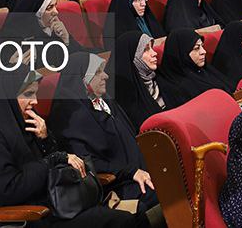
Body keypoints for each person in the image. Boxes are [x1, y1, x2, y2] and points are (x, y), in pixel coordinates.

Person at [0, 67, 143, 228]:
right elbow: (10, 191)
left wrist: (45, 138)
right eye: (28, 94)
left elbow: (55, 163)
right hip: (26, 217)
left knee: (135, 214)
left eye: (35, 94)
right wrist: (52, 160)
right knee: (121, 221)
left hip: (55, 205)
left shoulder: (22, 121)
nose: (34, 101)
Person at [47, 53, 161, 220]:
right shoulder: (68, 115)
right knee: (163, 193)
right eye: (98, 72)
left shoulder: (104, 100)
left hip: (140, 171)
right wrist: (130, 172)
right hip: (115, 184)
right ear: (82, 79)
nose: (106, 76)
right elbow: (87, 163)